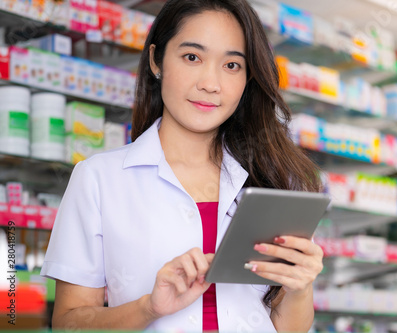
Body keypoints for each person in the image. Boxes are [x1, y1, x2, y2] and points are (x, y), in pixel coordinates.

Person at [41, 0, 324, 331]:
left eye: (232, 65)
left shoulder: (272, 182)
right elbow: (68, 324)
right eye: (192, 57)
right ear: (156, 60)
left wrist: (300, 288)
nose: (210, 83)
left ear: (248, 78)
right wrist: (148, 308)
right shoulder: (99, 179)